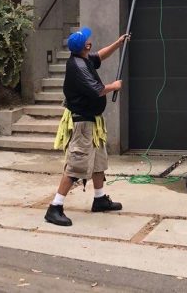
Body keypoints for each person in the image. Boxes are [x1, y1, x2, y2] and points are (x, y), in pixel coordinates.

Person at [44, 26, 128, 226]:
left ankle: (99, 199)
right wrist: (114, 86)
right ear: (84, 45)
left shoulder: (84, 59)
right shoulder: (78, 67)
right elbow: (98, 90)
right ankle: (55, 207)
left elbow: (100, 55)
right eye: (87, 40)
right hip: (82, 124)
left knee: (98, 162)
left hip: (93, 122)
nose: (90, 41)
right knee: (76, 165)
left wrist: (118, 43)